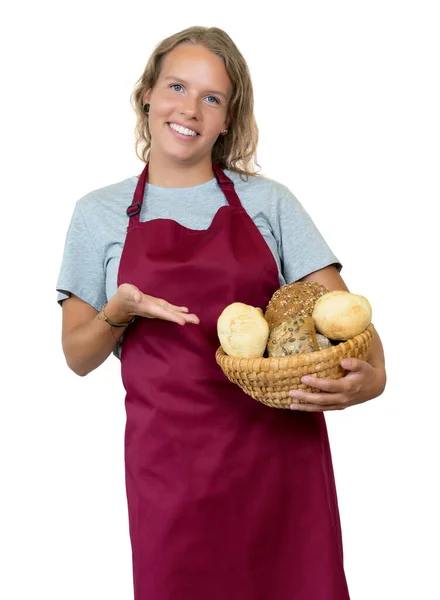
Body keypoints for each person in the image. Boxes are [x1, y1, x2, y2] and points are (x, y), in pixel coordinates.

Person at [57, 25, 386, 600]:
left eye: (212, 97)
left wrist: (371, 381)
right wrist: (119, 309)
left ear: (229, 117)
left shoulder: (269, 202)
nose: (190, 108)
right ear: (147, 94)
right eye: (176, 87)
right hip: (170, 474)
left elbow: (348, 319)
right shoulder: (99, 214)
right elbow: (77, 356)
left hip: (279, 468)